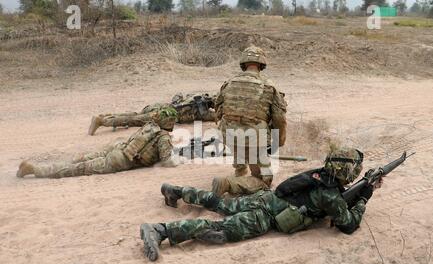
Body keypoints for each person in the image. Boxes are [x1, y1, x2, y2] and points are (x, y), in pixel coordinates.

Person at [140, 147, 381, 262]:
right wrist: (363, 198)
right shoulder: (331, 195)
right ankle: (161, 230)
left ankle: (178, 191)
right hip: (263, 217)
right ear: (347, 172)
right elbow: (348, 225)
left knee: (221, 203)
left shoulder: (319, 174)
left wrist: (358, 189)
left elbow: (330, 195)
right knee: (222, 231)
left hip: (265, 198)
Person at [16, 107, 180, 179]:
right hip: (120, 160)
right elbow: (168, 162)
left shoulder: (150, 126)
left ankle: (63, 161)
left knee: (82, 160)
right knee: (77, 170)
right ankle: (34, 169)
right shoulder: (164, 137)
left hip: (119, 148)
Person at [212, 45, 287, 196]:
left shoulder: (229, 82)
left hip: (230, 134)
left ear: (244, 63)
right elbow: (279, 118)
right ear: (261, 64)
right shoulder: (269, 86)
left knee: (238, 141)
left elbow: (218, 110)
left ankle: (240, 168)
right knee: (264, 180)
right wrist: (279, 140)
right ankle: (228, 184)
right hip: (254, 138)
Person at [88, 92, 216, 135]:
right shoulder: (202, 112)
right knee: (133, 120)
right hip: (163, 115)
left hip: (159, 106)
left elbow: (178, 95)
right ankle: (102, 121)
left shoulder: (194, 96)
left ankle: (105, 116)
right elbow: (215, 116)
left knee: (135, 115)